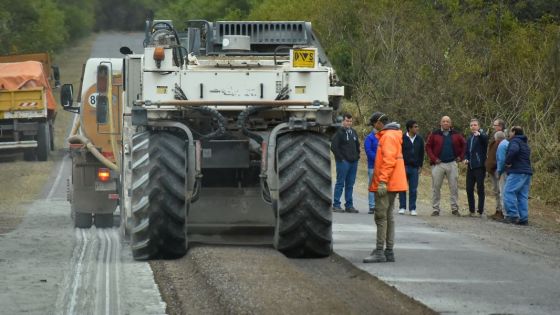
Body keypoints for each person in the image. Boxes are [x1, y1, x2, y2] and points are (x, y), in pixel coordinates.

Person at [363, 112, 407, 263]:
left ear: (379, 123)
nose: (374, 128)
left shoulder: (387, 136)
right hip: (393, 182)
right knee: (389, 216)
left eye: (374, 125)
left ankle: (380, 251)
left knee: (381, 216)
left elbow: (388, 161)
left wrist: (382, 181)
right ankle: (389, 251)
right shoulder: (393, 135)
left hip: (387, 183)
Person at [425, 116, 466, 217]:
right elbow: (428, 147)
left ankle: (455, 208)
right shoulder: (434, 134)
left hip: (452, 163)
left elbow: (464, 144)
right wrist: (434, 159)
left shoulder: (456, 134)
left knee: (454, 187)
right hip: (438, 164)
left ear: (451, 124)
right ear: (440, 123)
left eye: (447, 121)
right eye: (444, 121)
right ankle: (435, 209)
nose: (446, 123)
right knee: (436, 187)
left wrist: (460, 157)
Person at [501, 126, 532, 225]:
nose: (509, 134)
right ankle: (523, 218)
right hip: (526, 172)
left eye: (510, 131)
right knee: (522, 195)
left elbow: (513, 151)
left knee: (508, 191)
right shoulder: (524, 143)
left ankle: (512, 215)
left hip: (517, 171)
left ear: (514, 132)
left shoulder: (515, 141)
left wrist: (507, 162)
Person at [330, 113, 360, 213]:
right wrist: (341, 159)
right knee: (340, 183)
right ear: (343, 121)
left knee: (350, 184)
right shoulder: (339, 133)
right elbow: (334, 147)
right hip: (343, 162)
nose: (349, 123)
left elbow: (357, 146)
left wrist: (357, 157)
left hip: (353, 162)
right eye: (347, 121)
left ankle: (349, 205)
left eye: (350, 121)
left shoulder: (354, 132)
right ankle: (336, 204)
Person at [398, 120, 424, 216]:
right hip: (403, 166)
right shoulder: (402, 138)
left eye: (417, 126)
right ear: (409, 128)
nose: (417, 128)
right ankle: (402, 207)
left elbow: (422, 153)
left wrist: (420, 165)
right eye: (415, 127)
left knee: (413, 189)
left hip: (415, 168)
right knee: (402, 188)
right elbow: (399, 151)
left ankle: (412, 208)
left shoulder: (420, 139)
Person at [464, 119, 488, 217]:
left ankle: (480, 211)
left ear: (478, 126)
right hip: (470, 166)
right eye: (471, 125)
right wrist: (466, 158)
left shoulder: (482, 136)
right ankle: (471, 210)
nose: (473, 127)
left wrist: (480, 134)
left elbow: (485, 140)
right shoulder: (469, 138)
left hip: (479, 166)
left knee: (480, 188)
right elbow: (467, 151)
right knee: (469, 189)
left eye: (475, 125)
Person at [486, 119, 506, 219]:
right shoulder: (494, 138)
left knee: (500, 190)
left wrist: (498, 168)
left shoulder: (502, 139)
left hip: (498, 169)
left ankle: (502, 211)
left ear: (501, 126)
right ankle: (498, 210)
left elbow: (502, 157)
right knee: (496, 191)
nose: (493, 127)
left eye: (495, 125)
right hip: (492, 169)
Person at [364, 122, 379, 214]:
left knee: (381, 187)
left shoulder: (383, 137)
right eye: (376, 128)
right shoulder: (369, 137)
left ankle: (379, 206)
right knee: (372, 186)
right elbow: (368, 151)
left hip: (382, 167)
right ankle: (372, 206)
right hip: (372, 166)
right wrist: (378, 158)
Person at [494, 131, 508, 215]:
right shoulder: (507, 143)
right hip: (510, 171)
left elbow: (501, 160)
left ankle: (505, 213)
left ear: (497, 140)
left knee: (503, 192)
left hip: (504, 171)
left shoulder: (501, 146)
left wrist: (499, 172)